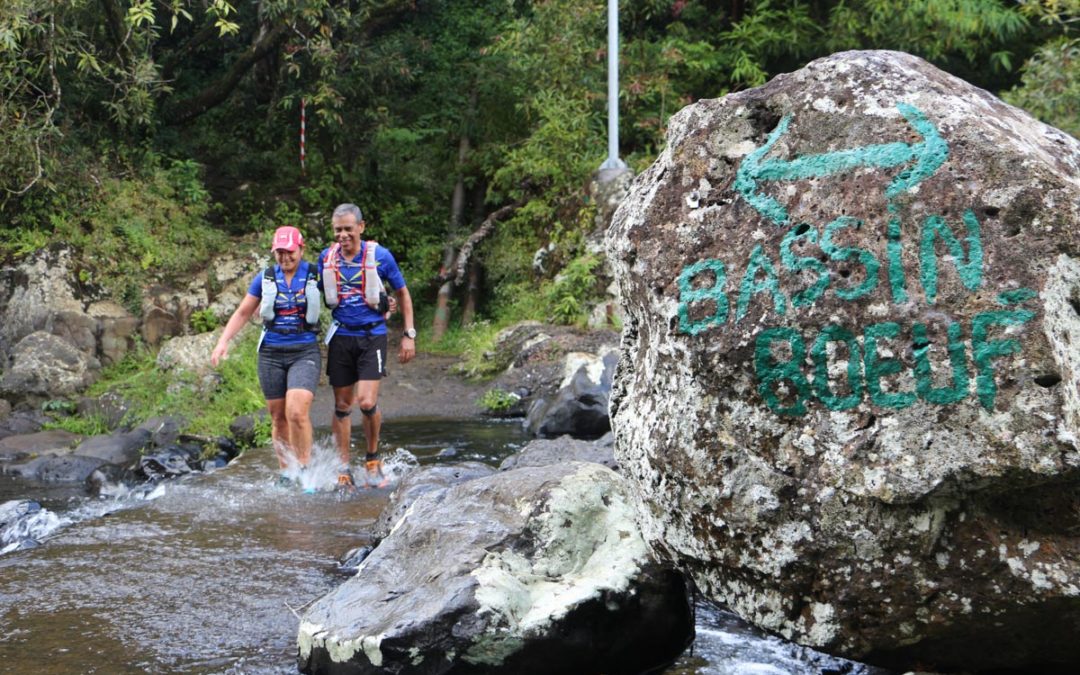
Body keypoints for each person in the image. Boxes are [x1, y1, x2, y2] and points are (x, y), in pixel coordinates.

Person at [211, 225, 322, 482]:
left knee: (296, 411)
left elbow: (342, 300)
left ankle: (305, 471)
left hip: (304, 350)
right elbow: (242, 312)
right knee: (278, 417)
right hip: (271, 354)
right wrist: (223, 342)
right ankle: (286, 470)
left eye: (290, 252)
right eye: (279, 252)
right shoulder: (266, 278)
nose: (285, 258)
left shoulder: (316, 275)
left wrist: (381, 307)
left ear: (301, 249)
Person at [319, 203, 415, 489]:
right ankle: (343, 467)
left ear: (361, 227)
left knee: (367, 402)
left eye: (349, 228)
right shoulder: (327, 257)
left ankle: (372, 459)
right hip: (341, 337)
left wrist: (409, 334)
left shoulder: (380, 256)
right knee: (341, 405)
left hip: (372, 335)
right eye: (338, 230)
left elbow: (403, 293)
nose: (343, 235)